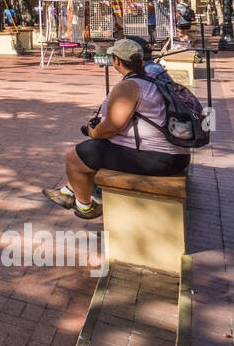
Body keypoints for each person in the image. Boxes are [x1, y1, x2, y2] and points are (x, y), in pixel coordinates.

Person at [41, 39, 192, 220]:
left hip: (158, 158)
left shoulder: (129, 86)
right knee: (95, 150)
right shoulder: (151, 78)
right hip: (173, 154)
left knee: (75, 157)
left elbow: (112, 126)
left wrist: (93, 132)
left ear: (117, 61)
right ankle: (68, 193)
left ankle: (85, 206)